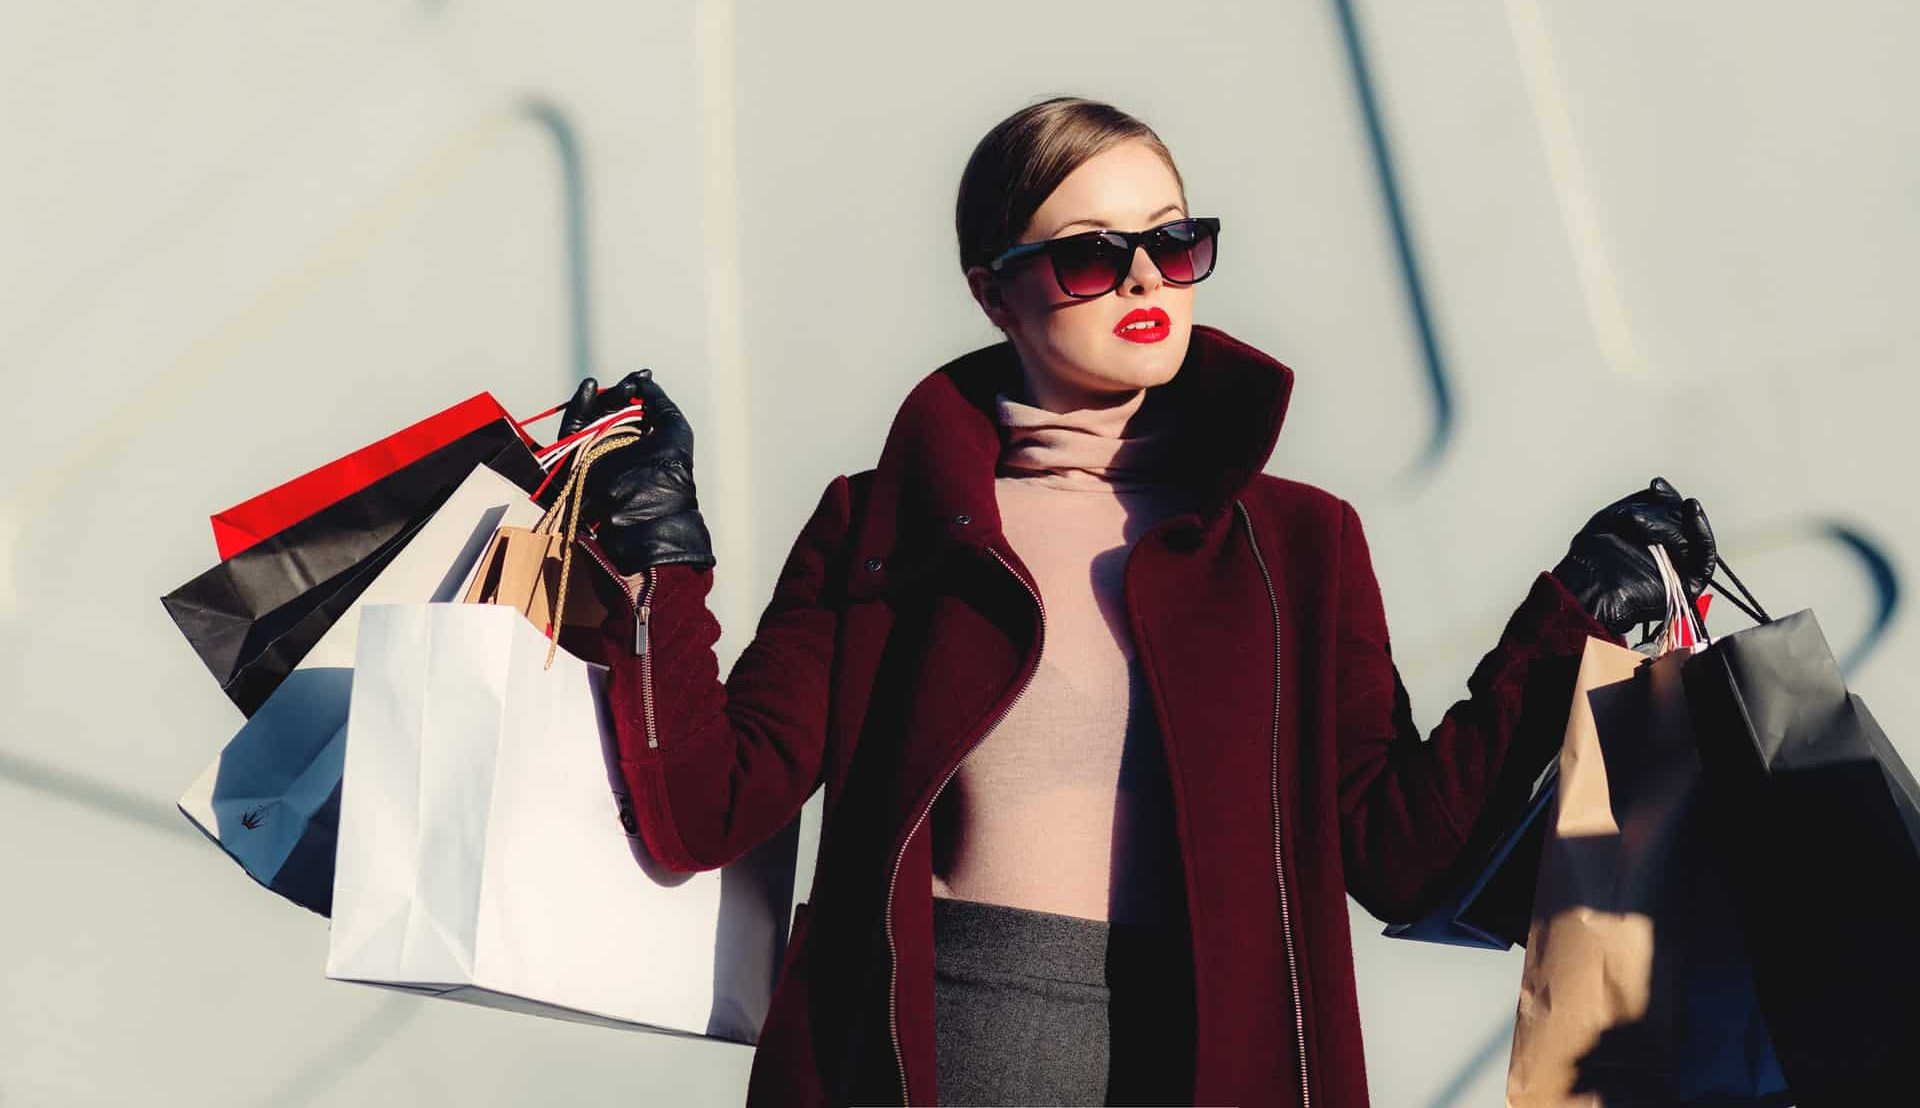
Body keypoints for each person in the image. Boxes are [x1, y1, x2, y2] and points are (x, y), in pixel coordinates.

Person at [555, 97, 1717, 1108]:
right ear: (992, 290)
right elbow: (705, 806)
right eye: (1091, 256)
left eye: (1175, 239)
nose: (1150, 278)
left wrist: (1571, 618)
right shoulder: (885, 524)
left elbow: (1399, 853)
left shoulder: (1300, 542)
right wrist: (660, 557)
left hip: (1220, 1056)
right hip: (946, 1055)